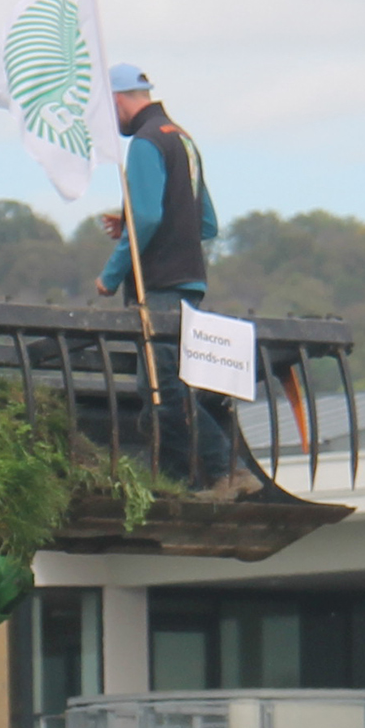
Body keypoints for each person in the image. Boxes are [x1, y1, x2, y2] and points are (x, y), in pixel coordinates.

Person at [94, 64, 247, 492]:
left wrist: (111, 274)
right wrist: (133, 222)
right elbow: (206, 223)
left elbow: (147, 216)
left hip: (159, 287)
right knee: (160, 395)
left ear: (117, 100)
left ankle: (227, 470)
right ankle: (179, 485)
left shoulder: (145, 143)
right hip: (190, 284)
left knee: (163, 392)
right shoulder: (182, 140)